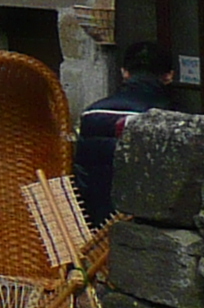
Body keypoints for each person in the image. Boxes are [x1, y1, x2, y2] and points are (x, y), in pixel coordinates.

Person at [76, 41, 178, 225]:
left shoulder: (92, 115)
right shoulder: (172, 121)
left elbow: (82, 176)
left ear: (125, 73)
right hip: (146, 228)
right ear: (169, 76)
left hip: (97, 226)